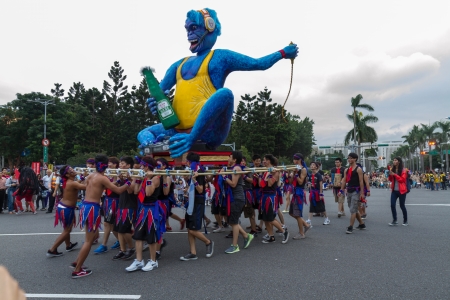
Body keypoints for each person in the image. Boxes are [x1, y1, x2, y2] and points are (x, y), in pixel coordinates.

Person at [71, 154, 129, 279]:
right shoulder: (102, 178)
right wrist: (130, 182)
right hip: (92, 208)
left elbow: (97, 186)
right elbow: (118, 191)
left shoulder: (91, 176)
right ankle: (77, 269)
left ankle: (77, 261)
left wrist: (119, 181)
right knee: (89, 240)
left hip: (85, 206)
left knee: (91, 237)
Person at [179, 152, 214, 260]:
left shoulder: (199, 172)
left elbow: (200, 189)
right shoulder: (193, 170)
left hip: (197, 201)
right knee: (189, 228)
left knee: (193, 229)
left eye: (187, 160)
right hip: (191, 201)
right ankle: (193, 252)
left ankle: (208, 242)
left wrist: (194, 180)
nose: (186, 162)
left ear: (190, 161)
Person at [46, 165, 85, 257]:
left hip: (62, 207)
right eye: (71, 170)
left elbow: (76, 184)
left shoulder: (69, 182)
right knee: (67, 230)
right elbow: (86, 187)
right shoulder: (72, 183)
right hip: (67, 208)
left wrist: (83, 177)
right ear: (67, 175)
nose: (73, 170)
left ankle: (68, 245)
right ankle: (52, 250)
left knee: (66, 229)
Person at [221, 151, 254, 253]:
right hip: (234, 197)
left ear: (234, 159)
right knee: (231, 221)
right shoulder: (234, 168)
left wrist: (224, 176)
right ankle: (246, 235)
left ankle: (235, 246)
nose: (228, 158)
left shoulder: (236, 168)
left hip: (237, 197)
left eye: (230, 157)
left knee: (234, 222)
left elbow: (233, 184)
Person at [112, 156, 138, 261]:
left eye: (123, 163)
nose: (120, 165)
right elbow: (115, 187)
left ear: (128, 165)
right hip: (121, 204)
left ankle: (131, 248)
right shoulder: (120, 175)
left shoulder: (134, 175)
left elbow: (131, 190)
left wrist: (127, 179)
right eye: (120, 163)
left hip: (130, 205)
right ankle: (122, 250)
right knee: (118, 229)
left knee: (125, 229)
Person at [259, 154, 289, 244]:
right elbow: (260, 184)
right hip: (263, 196)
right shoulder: (265, 171)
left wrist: (269, 175)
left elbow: (269, 184)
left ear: (269, 161)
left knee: (270, 218)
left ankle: (284, 232)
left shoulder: (275, 171)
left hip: (270, 197)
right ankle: (271, 236)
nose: (263, 161)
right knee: (265, 218)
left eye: (265, 160)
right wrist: (261, 174)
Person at [94, 157, 121, 254]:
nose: (109, 164)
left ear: (115, 164)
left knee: (107, 223)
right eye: (108, 163)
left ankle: (104, 245)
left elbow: (116, 187)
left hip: (114, 200)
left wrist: (114, 181)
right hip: (107, 199)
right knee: (110, 223)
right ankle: (121, 241)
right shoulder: (107, 173)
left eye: (111, 163)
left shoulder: (118, 173)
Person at [339, 153, 366, 234]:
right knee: (353, 208)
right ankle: (361, 224)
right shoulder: (346, 170)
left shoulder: (358, 169)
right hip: (349, 190)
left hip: (356, 191)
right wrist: (341, 190)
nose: (349, 159)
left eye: (351, 158)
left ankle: (350, 227)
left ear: (355, 159)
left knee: (352, 209)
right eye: (348, 158)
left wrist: (362, 193)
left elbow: (361, 181)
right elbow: (344, 180)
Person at [290, 154, 312, 239]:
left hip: (299, 192)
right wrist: (290, 174)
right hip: (295, 191)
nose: (295, 161)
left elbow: (300, 182)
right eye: (294, 159)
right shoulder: (295, 168)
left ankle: (301, 233)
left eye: (297, 159)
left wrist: (295, 174)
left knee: (297, 214)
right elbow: (291, 182)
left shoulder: (303, 169)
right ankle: (306, 225)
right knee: (292, 213)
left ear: (301, 160)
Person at [388, 157, 408, 226]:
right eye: (393, 160)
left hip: (402, 191)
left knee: (402, 206)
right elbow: (390, 180)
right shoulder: (393, 169)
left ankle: (405, 220)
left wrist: (395, 174)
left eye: (395, 160)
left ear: (399, 161)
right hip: (394, 190)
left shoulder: (403, 170)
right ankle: (394, 220)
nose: (394, 161)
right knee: (392, 205)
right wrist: (390, 175)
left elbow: (402, 180)